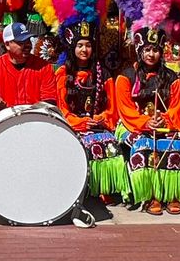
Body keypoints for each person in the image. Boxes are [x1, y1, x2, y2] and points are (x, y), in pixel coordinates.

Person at [114, 28, 180, 215]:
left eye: (155, 50)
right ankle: (148, 195)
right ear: (139, 50)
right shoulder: (125, 77)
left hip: (164, 125)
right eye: (147, 50)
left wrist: (163, 120)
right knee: (143, 144)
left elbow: (177, 108)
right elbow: (125, 109)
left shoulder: (172, 78)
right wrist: (145, 123)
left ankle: (171, 194)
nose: (151, 54)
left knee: (176, 143)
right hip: (133, 125)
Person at [55, 19, 130, 203]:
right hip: (73, 125)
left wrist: (101, 118)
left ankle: (104, 187)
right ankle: (78, 188)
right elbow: (60, 108)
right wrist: (80, 122)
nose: (84, 50)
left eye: (88, 45)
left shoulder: (103, 73)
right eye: (80, 45)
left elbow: (111, 108)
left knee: (109, 145)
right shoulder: (63, 73)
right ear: (72, 47)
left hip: (98, 124)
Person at [0, 21, 58, 116]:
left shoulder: (44, 67)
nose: (28, 45)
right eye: (21, 42)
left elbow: (49, 100)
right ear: (7, 45)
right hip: (5, 121)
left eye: (28, 41)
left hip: (36, 121)